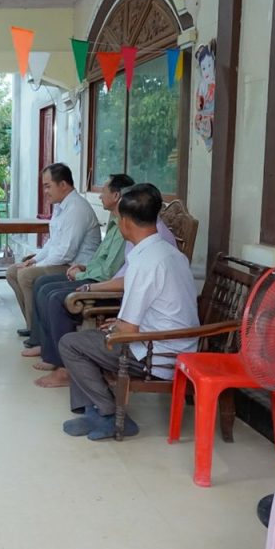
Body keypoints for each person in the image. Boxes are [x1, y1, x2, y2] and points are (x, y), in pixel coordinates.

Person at [59, 183, 199, 440]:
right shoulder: (169, 252)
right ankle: (94, 412)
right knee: (90, 337)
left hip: (159, 355)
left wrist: (117, 326)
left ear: (125, 222)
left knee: (71, 344)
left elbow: (128, 329)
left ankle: (110, 415)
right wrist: (119, 323)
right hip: (176, 345)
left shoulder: (145, 261)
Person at [23, 174, 133, 387]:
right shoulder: (114, 222)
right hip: (91, 273)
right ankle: (48, 347)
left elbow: (109, 272)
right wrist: (84, 268)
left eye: (104, 191)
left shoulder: (125, 227)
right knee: (43, 285)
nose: (100, 196)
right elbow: (100, 259)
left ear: (117, 196)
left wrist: (81, 275)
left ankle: (63, 367)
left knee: (55, 297)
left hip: (104, 285)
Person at [6, 163, 101, 335]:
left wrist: (35, 267)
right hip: (63, 262)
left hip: (75, 267)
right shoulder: (61, 206)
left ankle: (38, 332)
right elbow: (53, 242)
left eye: (48, 186)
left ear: (63, 184)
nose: (45, 191)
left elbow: (66, 253)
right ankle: (33, 326)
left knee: (26, 275)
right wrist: (33, 260)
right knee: (13, 271)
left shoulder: (76, 208)